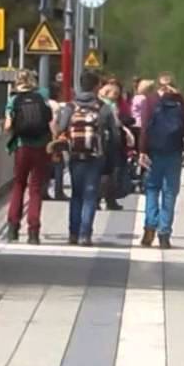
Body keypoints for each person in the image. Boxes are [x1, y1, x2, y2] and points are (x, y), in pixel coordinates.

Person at [55, 70, 118, 246]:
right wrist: (112, 158)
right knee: (90, 195)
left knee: (76, 194)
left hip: (75, 156)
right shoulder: (103, 107)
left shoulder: (71, 106)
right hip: (96, 156)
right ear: (97, 86)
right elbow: (114, 135)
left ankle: (73, 234)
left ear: (80, 85)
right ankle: (85, 234)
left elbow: (61, 128)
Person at [138, 72, 184, 249]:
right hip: (174, 152)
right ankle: (164, 234)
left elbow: (145, 128)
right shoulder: (181, 102)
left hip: (154, 153)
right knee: (169, 192)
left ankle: (150, 228)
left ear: (157, 85)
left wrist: (142, 151)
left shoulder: (150, 100)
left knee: (152, 189)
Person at [3, 70, 53, 243]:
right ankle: (33, 232)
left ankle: (13, 228)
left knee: (19, 185)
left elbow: (7, 126)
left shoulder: (14, 100)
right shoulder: (42, 97)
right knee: (36, 188)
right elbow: (50, 120)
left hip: (22, 147)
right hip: (40, 147)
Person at [97, 81, 129, 211]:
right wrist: (118, 141)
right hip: (108, 143)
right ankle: (109, 200)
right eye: (114, 93)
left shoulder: (97, 104)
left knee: (100, 173)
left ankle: (97, 200)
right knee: (109, 173)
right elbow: (114, 125)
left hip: (96, 141)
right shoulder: (109, 107)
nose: (116, 96)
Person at [45, 72, 68, 201]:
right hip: (52, 137)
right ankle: (58, 192)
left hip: (43, 137)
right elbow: (53, 122)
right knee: (59, 165)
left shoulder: (45, 103)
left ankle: (44, 190)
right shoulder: (55, 106)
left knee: (46, 165)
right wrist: (56, 137)